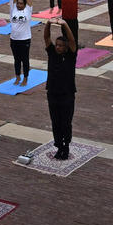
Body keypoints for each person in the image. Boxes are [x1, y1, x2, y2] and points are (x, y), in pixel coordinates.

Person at [42, 20, 77, 159]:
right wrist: (48, 24)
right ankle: (59, 146)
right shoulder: (52, 53)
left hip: (67, 95)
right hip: (53, 93)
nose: (58, 47)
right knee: (55, 121)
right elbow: (46, 37)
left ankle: (66, 146)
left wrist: (64, 24)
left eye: (61, 45)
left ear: (66, 47)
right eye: (57, 45)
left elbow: (72, 39)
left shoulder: (71, 56)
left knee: (66, 122)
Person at [9, 0, 34, 85]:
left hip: (24, 39)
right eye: (18, 3)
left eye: (21, 3)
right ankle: (17, 76)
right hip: (14, 39)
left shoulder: (28, 10)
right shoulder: (14, 9)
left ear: (25, 5)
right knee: (17, 59)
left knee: (25, 59)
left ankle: (25, 78)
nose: (19, 5)